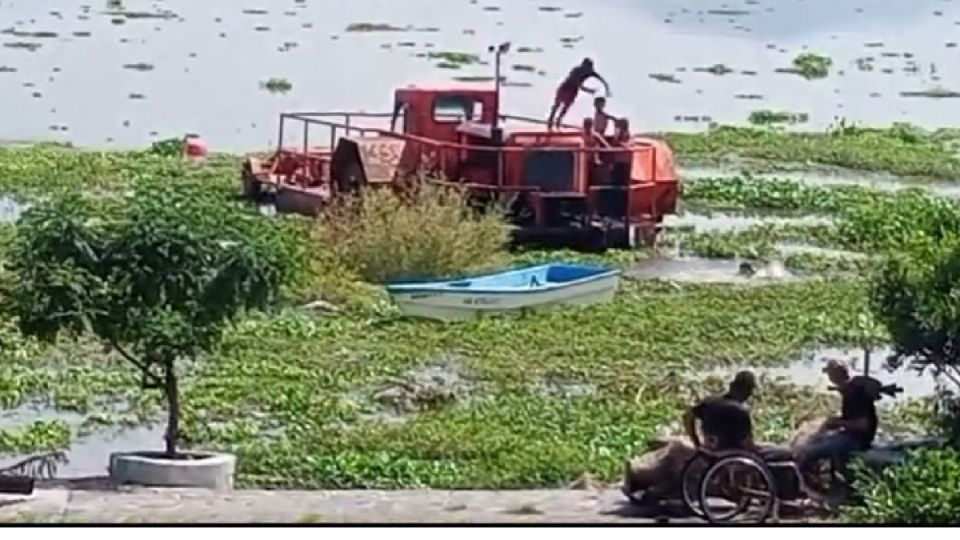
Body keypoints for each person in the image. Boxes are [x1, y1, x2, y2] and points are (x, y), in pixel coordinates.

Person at [796, 360, 878, 483]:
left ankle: (803, 485)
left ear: (834, 376)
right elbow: (851, 417)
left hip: (857, 440)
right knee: (820, 440)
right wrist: (835, 421)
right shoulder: (849, 390)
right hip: (851, 436)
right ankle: (828, 480)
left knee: (808, 452)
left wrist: (838, 423)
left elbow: (863, 425)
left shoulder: (855, 393)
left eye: (830, 375)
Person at [683, 370, 758, 452]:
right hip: (735, 451)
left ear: (731, 385)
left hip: (710, 449)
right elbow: (748, 443)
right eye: (748, 390)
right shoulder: (741, 411)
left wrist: (696, 442)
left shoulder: (710, 402)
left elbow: (688, 416)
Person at [547, 58, 611, 130]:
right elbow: (577, 83)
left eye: (588, 68)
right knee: (557, 105)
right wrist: (589, 90)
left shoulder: (590, 71)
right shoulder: (576, 70)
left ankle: (558, 121)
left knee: (566, 107)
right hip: (565, 88)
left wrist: (607, 88)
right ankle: (550, 121)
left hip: (572, 91)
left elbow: (601, 79)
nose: (586, 69)